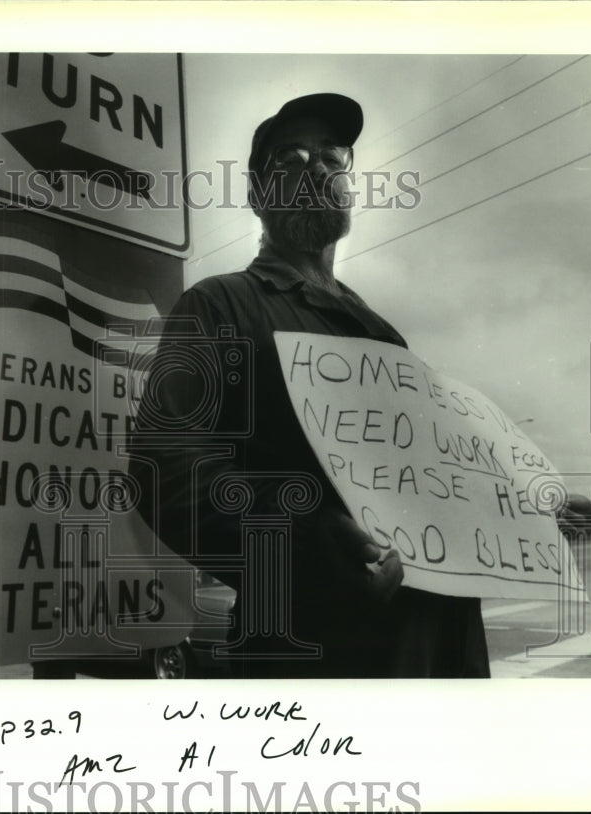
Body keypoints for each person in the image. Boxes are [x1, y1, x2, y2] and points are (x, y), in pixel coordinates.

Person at [127, 93, 490, 678]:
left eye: (331, 155)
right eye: (289, 158)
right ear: (255, 194)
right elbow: (166, 470)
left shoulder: (386, 339)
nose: (316, 167)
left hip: (437, 653)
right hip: (314, 658)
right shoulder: (220, 306)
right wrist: (308, 538)